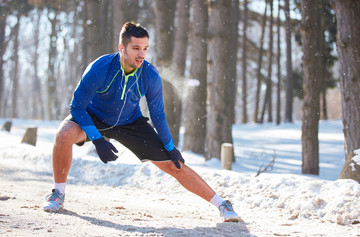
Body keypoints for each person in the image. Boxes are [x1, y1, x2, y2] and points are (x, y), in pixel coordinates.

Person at [42, 22, 241, 222]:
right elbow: (76, 107)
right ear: (122, 48)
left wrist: (170, 147)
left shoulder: (150, 75)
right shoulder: (100, 68)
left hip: (130, 122)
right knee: (64, 133)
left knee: (175, 164)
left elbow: (158, 115)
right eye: (136, 48)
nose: (141, 54)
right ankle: (58, 194)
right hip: (94, 117)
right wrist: (97, 138)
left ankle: (222, 205)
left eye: (145, 48)